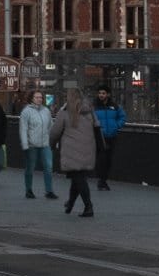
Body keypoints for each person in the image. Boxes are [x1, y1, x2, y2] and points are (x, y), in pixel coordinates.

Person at [53, 88, 97, 217]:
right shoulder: (89, 111)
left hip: (72, 152)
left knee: (79, 178)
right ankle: (70, 203)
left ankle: (88, 206)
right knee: (77, 178)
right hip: (88, 149)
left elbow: (55, 132)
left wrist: (51, 145)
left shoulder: (65, 112)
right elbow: (97, 126)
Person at [18, 88, 58, 201]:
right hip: (32, 145)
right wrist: (25, 144)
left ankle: (49, 191)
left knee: (48, 167)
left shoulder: (46, 111)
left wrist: (54, 141)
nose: (39, 99)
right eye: (37, 97)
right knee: (30, 168)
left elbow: (51, 127)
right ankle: (29, 190)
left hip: (46, 144)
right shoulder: (26, 111)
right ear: (31, 98)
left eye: (41, 97)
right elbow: (23, 129)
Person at [94, 86, 124, 191]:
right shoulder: (95, 106)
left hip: (112, 136)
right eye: (100, 93)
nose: (101, 95)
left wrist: (117, 125)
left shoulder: (115, 106)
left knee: (109, 160)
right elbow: (90, 119)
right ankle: (101, 181)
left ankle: (103, 180)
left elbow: (122, 117)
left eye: (103, 93)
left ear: (108, 94)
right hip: (99, 136)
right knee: (102, 159)